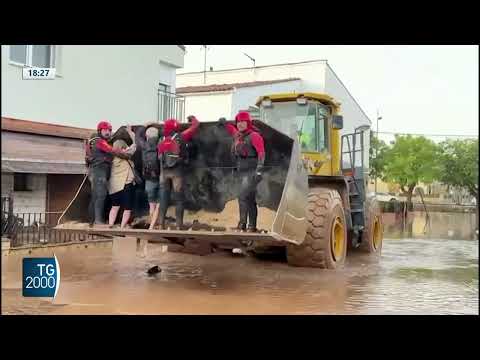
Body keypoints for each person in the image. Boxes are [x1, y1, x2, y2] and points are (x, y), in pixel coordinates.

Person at [218, 111, 265, 232]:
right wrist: (225, 124)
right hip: (240, 172)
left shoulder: (254, 136)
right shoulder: (238, 136)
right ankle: (248, 225)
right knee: (246, 199)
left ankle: (246, 225)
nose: (240, 124)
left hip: (251, 172)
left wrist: (259, 170)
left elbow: (261, 152)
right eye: (238, 122)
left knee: (244, 197)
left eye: (242, 122)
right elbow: (232, 130)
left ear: (248, 123)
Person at [85, 121, 136, 225]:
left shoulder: (93, 142)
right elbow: (112, 151)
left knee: (95, 196)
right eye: (105, 130)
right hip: (99, 173)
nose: (108, 132)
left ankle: (91, 221)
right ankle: (98, 221)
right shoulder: (99, 142)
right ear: (100, 131)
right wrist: (126, 152)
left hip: (96, 172)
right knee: (101, 196)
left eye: (109, 130)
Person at [155, 115, 200, 230]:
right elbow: (195, 126)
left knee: (164, 198)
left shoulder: (161, 139)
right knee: (179, 199)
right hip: (177, 172)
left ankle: (161, 224)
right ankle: (179, 225)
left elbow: (159, 156)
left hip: (164, 173)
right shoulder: (181, 137)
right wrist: (193, 119)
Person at [107, 128, 137, 228]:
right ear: (123, 147)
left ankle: (110, 225)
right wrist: (130, 132)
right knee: (127, 208)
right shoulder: (125, 154)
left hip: (114, 186)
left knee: (115, 207)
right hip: (126, 184)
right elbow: (134, 146)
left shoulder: (112, 157)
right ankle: (122, 227)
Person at [135, 123, 162, 230]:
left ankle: (152, 223)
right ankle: (155, 224)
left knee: (151, 204)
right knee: (160, 203)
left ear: (146, 136)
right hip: (161, 177)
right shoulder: (161, 144)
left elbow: (137, 136)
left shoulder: (144, 145)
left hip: (149, 178)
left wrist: (144, 126)